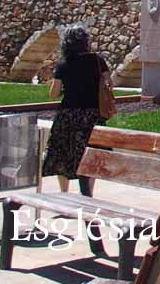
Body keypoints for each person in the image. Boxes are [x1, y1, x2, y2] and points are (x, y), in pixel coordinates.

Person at [42, 24, 110, 193]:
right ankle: (87, 194)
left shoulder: (64, 64)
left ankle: (64, 192)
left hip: (68, 115)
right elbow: (109, 83)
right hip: (93, 115)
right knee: (91, 154)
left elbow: (53, 93)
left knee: (62, 153)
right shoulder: (98, 61)